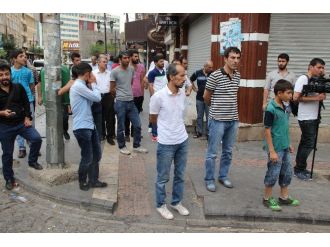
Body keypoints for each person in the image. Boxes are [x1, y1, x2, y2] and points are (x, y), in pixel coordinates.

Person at [150, 63, 189, 220]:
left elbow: (181, 115)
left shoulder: (182, 94)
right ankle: (160, 205)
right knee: (162, 177)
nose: (184, 78)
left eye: (185, 75)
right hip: (166, 142)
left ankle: (176, 202)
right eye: (181, 75)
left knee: (180, 175)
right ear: (172, 77)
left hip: (183, 140)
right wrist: (160, 132)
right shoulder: (158, 96)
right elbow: (153, 118)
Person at [203, 47, 241, 192]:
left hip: (233, 119)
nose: (235, 61)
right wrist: (215, 108)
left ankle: (223, 176)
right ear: (225, 59)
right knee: (212, 152)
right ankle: (209, 179)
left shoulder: (237, 75)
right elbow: (206, 96)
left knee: (228, 151)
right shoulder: (215, 75)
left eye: (238, 58)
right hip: (217, 120)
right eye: (232, 57)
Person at [0, 63, 43, 190]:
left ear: (10, 75)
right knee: (7, 154)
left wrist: (27, 117)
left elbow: (26, 103)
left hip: (21, 124)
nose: (4, 77)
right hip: (4, 126)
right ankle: (9, 179)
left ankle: (32, 161)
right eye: (1, 75)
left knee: (36, 139)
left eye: (6, 74)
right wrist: (2, 112)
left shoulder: (18, 87)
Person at [263, 79, 300, 211]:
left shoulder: (286, 107)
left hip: (284, 146)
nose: (291, 96)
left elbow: (283, 127)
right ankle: (267, 198)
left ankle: (284, 197)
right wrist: (272, 151)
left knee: (287, 172)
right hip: (275, 147)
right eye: (289, 93)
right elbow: (267, 130)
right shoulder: (271, 108)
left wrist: (288, 143)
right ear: (279, 93)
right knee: (273, 172)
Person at [70, 62, 107, 191]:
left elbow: (90, 102)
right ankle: (82, 180)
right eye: (91, 73)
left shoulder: (82, 86)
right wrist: (94, 84)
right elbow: (97, 98)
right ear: (87, 74)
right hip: (82, 127)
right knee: (87, 156)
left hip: (89, 126)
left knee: (96, 154)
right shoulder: (78, 86)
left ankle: (93, 180)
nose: (92, 75)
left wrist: (91, 86)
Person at [293, 58, 327, 180]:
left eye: (323, 67)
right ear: (310, 67)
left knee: (305, 143)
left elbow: (323, 95)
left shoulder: (318, 80)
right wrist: (316, 98)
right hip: (306, 117)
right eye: (319, 67)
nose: (321, 70)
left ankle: (300, 167)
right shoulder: (303, 79)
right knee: (309, 143)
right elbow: (296, 97)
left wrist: (323, 82)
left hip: (314, 116)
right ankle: (299, 169)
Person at [110, 51, 148, 155]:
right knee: (121, 127)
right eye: (125, 58)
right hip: (121, 102)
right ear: (120, 60)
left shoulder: (131, 70)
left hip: (131, 102)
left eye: (128, 58)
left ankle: (136, 145)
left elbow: (130, 82)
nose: (127, 60)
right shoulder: (114, 72)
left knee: (137, 125)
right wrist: (119, 97)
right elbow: (112, 89)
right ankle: (122, 146)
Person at [10, 49, 35, 159]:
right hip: (15, 102)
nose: (24, 58)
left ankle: (33, 144)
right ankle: (21, 148)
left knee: (30, 122)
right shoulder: (9, 72)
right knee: (18, 124)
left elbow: (31, 86)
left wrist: (33, 99)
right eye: (21, 56)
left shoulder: (28, 72)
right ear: (15, 59)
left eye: (25, 56)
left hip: (28, 100)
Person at [39, 65, 71, 140]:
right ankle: (53, 135)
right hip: (49, 98)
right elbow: (40, 83)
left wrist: (69, 101)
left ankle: (64, 130)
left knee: (64, 117)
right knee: (51, 118)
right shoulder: (43, 70)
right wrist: (40, 96)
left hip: (63, 98)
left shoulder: (65, 70)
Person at [92, 55, 116, 145]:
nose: (105, 63)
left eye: (106, 62)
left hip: (108, 96)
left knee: (110, 117)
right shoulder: (93, 73)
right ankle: (102, 134)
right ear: (98, 62)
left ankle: (110, 136)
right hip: (97, 97)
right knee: (100, 117)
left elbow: (113, 85)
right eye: (103, 62)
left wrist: (113, 95)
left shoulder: (110, 73)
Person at [125, 50, 146, 140]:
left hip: (139, 95)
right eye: (135, 56)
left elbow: (142, 80)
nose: (137, 58)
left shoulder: (141, 67)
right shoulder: (126, 67)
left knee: (136, 115)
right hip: (128, 95)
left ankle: (135, 133)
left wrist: (142, 94)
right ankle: (126, 134)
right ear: (130, 58)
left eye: (137, 56)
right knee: (127, 116)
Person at [190, 60, 214, 138]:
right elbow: (190, 80)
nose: (211, 69)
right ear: (205, 66)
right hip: (199, 98)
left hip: (209, 99)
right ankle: (199, 132)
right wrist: (194, 89)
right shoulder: (197, 73)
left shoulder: (213, 74)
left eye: (212, 67)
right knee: (199, 116)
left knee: (209, 116)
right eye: (209, 67)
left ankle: (208, 133)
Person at [147, 53, 168, 142]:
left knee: (162, 115)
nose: (163, 63)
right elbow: (150, 86)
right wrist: (153, 97)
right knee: (155, 115)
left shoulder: (165, 71)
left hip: (164, 96)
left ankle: (155, 129)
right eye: (160, 61)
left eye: (163, 61)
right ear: (155, 63)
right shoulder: (152, 73)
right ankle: (154, 134)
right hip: (156, 96)